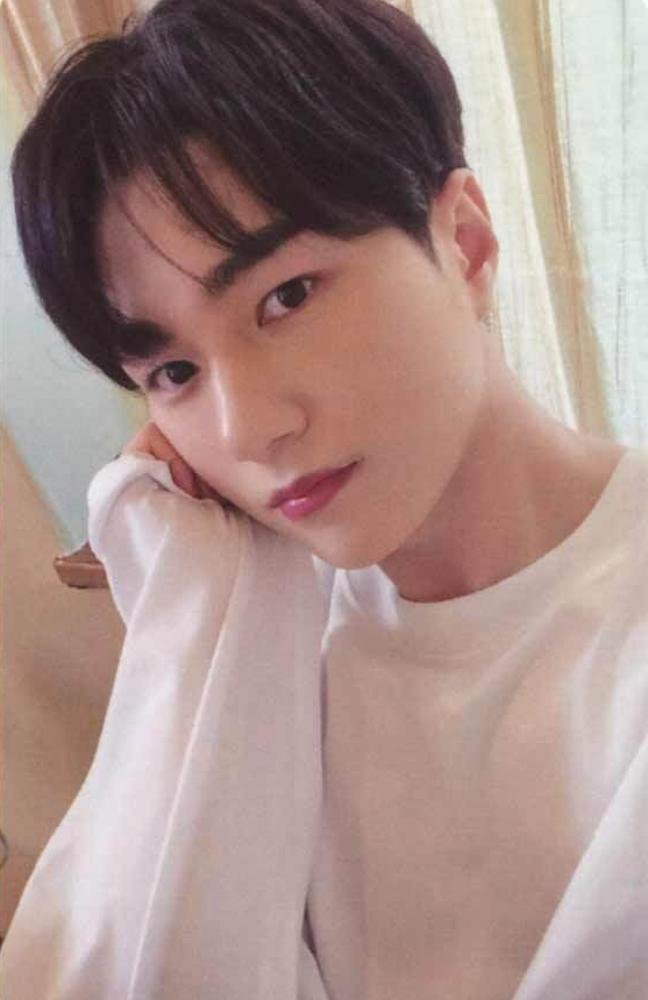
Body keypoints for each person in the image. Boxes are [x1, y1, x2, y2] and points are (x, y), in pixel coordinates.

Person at [2, 0, 647, 997]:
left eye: (287, 297)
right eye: (174, 372)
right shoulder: (266, 636)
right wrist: (198, 588)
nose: (246, 428)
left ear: (465, 243)